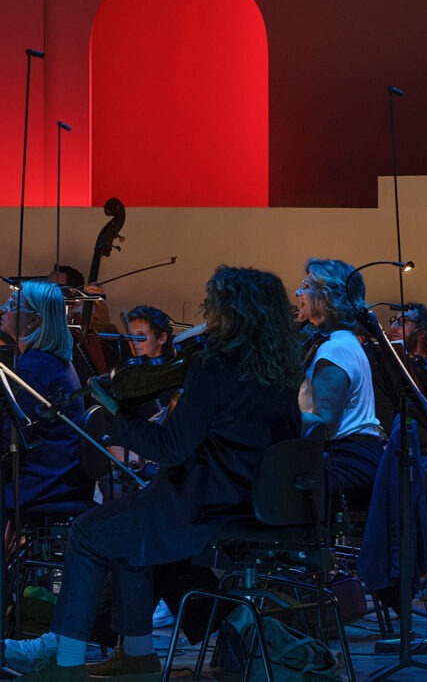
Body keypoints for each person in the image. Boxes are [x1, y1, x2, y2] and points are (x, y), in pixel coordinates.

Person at [19, 266, 303, 682]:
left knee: (88, 531)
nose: (208, 313)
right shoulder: (281, 370)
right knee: (126, 536)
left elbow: (171, 447)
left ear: (230, 312)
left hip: (202, 502)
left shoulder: (213, 366)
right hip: (254, 501)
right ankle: (137, 655)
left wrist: (119, 416)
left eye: (213, 305)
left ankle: (65, 662)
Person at [295, 258, 383, 512]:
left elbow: (324, 422)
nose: (298, 293)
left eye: (306, 286)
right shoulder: (339, 341)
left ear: (327, 296)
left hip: (348, 462)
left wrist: (272, 415)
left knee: (266, 491)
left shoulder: (335, 349)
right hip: (349, 456)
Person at [0, 281, 96, 514]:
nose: (2, 309)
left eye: (12, 305)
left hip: (42, 482)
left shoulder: (33, 368)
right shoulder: (53, 361)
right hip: (63, 476)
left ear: (34, 320)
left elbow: (11, 436)